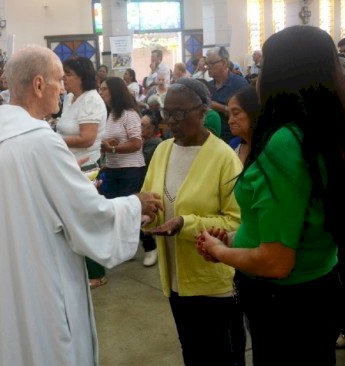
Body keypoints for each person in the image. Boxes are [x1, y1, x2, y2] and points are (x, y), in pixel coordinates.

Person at [0, 45, 163, 366]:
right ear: (38, 84)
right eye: (59, 80)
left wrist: (74, 186)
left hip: (8, 268)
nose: (63, 89)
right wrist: (134, 205)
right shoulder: (41, 139)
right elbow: (89, 216)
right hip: (43, 274)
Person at [197, 25, 345, 366]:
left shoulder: (287, 141)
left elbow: (275, 261)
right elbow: (300, 216)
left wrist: (221, 250)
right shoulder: (330, 127)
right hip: (318, 284)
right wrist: (238, 238)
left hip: (285, 303)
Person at [141, 79, 242, 366]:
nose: (170, 122)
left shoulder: (224, 158)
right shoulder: (163, 151)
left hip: (211, 280)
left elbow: (234, 221)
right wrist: (145, 215)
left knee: (220, 355)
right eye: (166, 112)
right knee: (191, 350)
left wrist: (185, 223)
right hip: (174, 277)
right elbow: (152, 199)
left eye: (179, 114)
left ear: (203, 112)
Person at [56, 56, 108, 288]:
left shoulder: (91, 100)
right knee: (71, 219)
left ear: (82, 77)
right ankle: (78, 268)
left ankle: (96, 272)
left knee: (87, 220)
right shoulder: (69, 98)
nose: (63, 78)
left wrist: (54, 140)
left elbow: (87, 139)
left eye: (68, 74)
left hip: (87, 167)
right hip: (69, 164)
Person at [99, 77, 147, 272]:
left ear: (115, 91)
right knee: (114, 208)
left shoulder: (129, 114)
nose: (100, 92)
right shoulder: (110, 114)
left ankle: (149, 245)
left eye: (104, 89)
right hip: (113, 168)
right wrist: (106, 149)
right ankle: (125, 248)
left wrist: (112, 149)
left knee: (133, 209)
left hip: (130, 169)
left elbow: (136, 143)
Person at [205, 47, 248, 143]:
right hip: (210, 139)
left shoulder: (239, 84)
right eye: (207, 64)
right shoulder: (208, 86)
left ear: (224, 63)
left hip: (234, 139)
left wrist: (220, 107)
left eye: (211, 63)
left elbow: (246, 114)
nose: (208, 67)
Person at [139, 110, 162, 266]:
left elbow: (143, 161)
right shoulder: (144, 141)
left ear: (152, 128)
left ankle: (150, 248)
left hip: (145, 181)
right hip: (137, 178)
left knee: (143, 216)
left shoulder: (155, 143)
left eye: (143, 125)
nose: (140, 128)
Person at [227, 85, 260, 163]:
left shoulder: (271, 148)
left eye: (236, 113)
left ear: (253, 112)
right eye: (228, 115)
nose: (230, 121)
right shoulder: (234, 144)